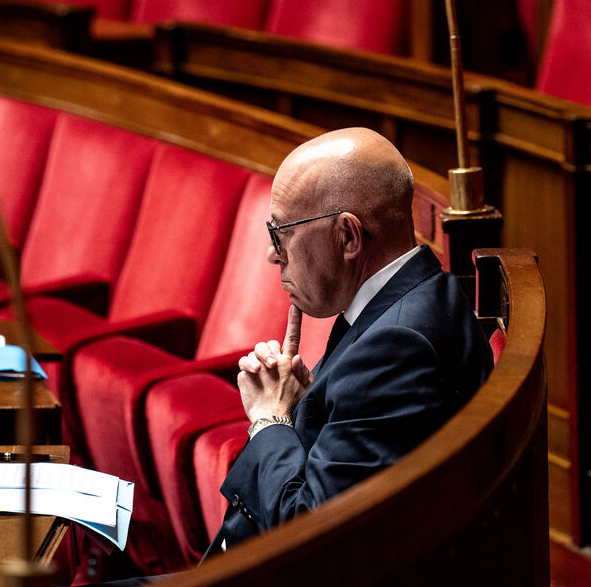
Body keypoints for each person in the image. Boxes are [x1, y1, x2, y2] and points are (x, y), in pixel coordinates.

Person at [206, 126, 493, 555]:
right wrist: (301, 408)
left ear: (348, 236)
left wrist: (269, 418)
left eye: (281, 232)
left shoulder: (400, 346)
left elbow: (311, 533)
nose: (272, 253)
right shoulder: (418, 299)